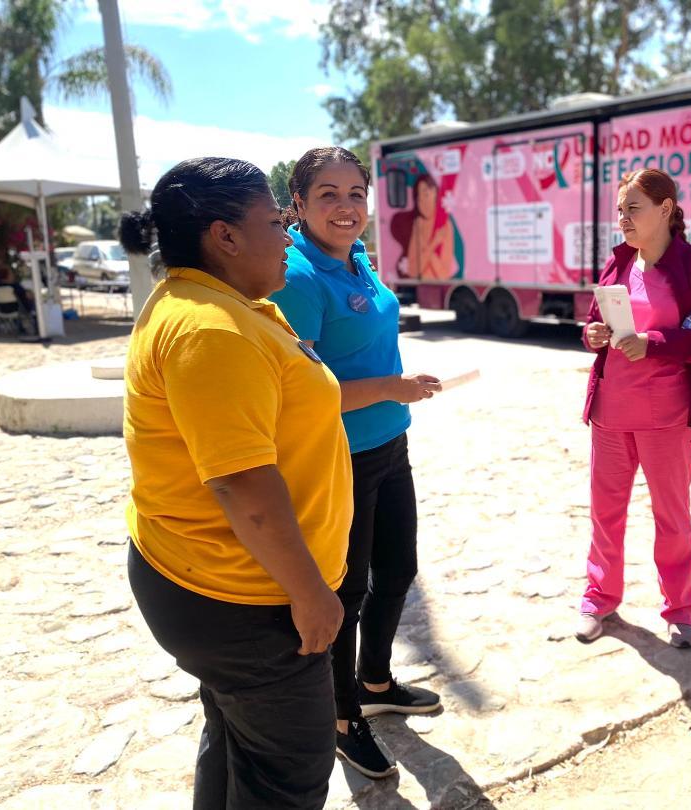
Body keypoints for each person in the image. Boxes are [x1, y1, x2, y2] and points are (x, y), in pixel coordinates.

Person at [120, 157, 351, 809]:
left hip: (213, 585)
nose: (287, 236)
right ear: (224, 236)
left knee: (238, 746)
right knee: (287, 774)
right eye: (275, 222)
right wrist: (311, 593)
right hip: (247, 602)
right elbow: (244, 486)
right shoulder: (212, 329)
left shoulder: (217, 304)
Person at [269, 147, 442, 780]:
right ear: (298, 205)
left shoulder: (357, 258)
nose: (346, 209)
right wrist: (391, 387)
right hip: (339, 456)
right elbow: (300, 395)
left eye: (355, 195)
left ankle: (374, 682)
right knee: (348, 589)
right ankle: (343, 720)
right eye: (328, 196)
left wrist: (394, 395)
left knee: (399, 571)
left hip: (390, 444)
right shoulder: (298, 276)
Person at [579, 168, 691, 648]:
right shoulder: (617, 264)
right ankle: (599, 598)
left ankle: (678, 609)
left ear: (665, 210)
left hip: (669, 419)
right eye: (620, 210)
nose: (623, 219)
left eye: (633, 208)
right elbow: (594, 324)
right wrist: (592, 336)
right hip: (611, 413)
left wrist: (655, 343)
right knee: (605, 513)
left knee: (672, 519)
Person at [392, 173, 456, 280]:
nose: (422, 201)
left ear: (436, 194)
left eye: (426, 194)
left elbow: (444, 275)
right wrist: (434, 243)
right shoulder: (418, 224)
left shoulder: (444, 225)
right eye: (418, 197)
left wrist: (425, 246)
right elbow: (413, 270)